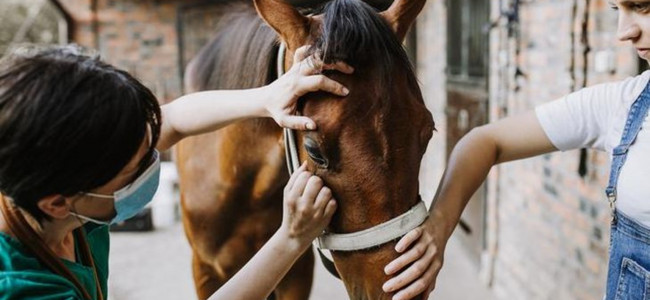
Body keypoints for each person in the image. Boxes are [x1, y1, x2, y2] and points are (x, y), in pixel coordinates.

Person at [0, 44, 351, 300]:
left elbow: (175, 119)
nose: (151, 162)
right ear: (57, 203)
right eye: (133, 169)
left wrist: (268, 97)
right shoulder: (26, 290)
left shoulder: (51, 179)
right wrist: (291, 237)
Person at [382, 1, 650, 299]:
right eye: (616, 9)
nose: (624, 32)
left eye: (642, 6)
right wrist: (438, 227)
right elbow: (485, 142)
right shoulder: (621, 106)